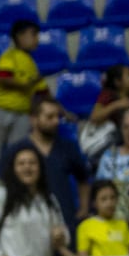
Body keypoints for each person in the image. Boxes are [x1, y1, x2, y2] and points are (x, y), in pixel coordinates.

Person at [18, 92, 93, 230]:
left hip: (65, 221)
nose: (56, 121)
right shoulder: (19, 149)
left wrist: (83, 208)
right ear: (34, 119)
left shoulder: (68, 147)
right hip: (30, 226)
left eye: (58, 116)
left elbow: (84, 177)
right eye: (49, 117)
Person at [0, 19, 49, 162]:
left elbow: (44, 93)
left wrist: (63, 112)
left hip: (22, 114)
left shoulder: (32, 63)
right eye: (33, 35)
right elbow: (2, 79)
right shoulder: (9, 56)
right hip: (0, 111)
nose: (37, 39)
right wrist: (27, 84)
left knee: (17, 155)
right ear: (19, 36)